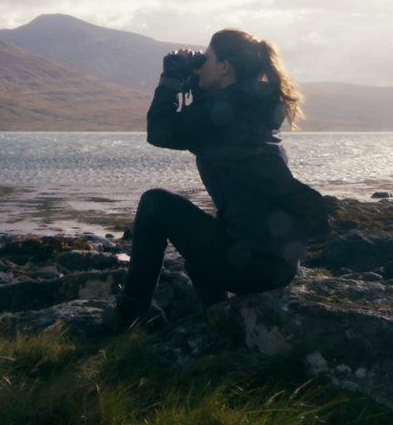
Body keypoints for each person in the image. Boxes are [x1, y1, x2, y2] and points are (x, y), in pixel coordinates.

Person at [108, 28, 325, 332]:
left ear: (225, 66)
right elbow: (212, 117)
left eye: (207, 57)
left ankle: (130, 315)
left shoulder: (230, 112)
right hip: (278, 264)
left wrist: (172, 76)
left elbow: (161, 130)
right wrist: (198, 80)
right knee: (203, 250)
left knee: (154, 204)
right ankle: (220, 318)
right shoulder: (251, 107)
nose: (203, 62)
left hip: (253, 266)